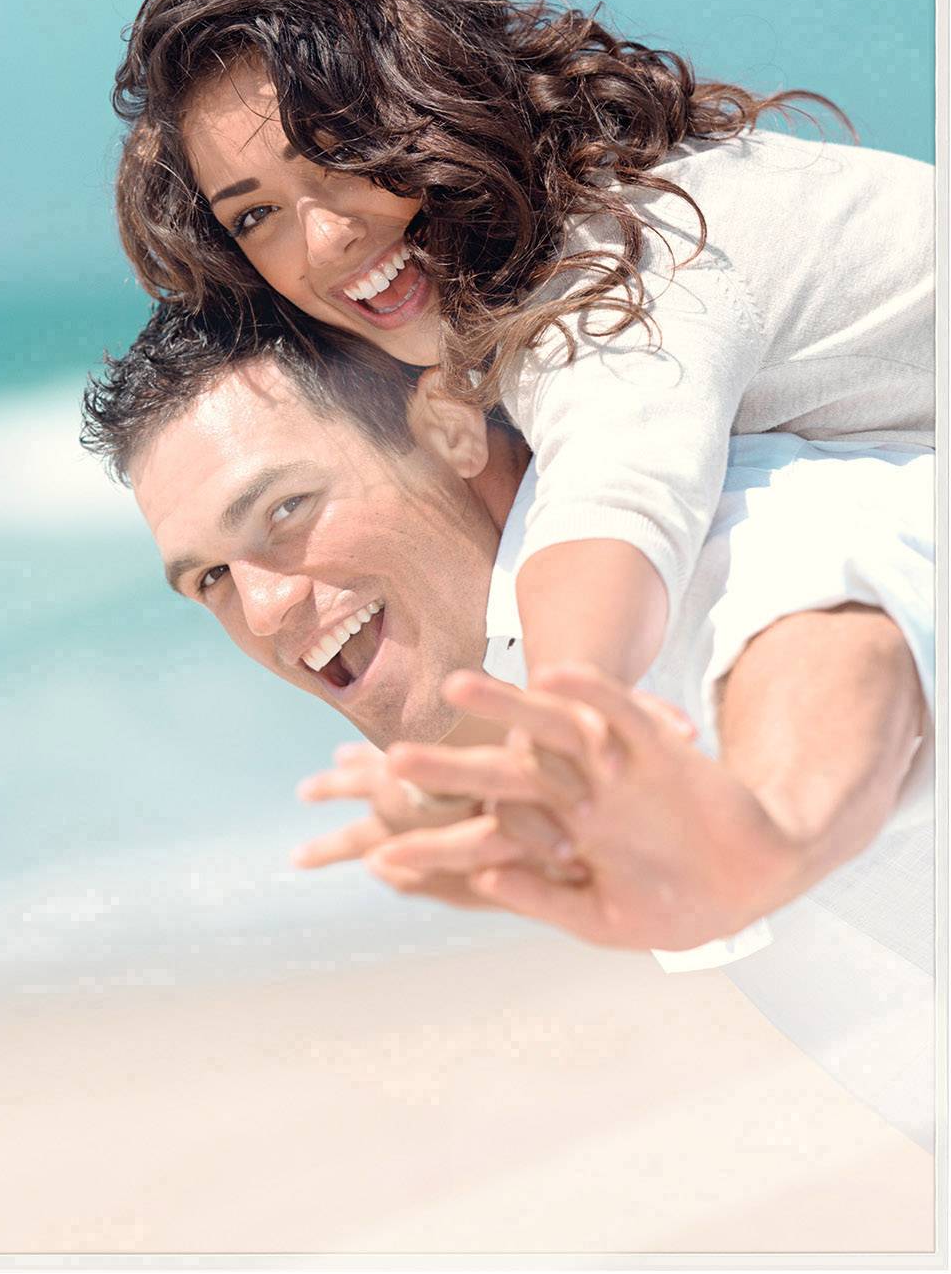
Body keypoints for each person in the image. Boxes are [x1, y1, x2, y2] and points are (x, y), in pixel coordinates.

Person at [80, 297, 934, 1148]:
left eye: (285, 510)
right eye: (210, 581)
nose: (262, 610)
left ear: (448, 432)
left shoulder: (712, 533)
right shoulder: (531, 689)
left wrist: (776, 833)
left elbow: (823, 618)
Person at [111, 0, 935, 706]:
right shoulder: (564, 231)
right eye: (255, 216)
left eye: (337, 152)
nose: (321, 240)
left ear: (426, 95)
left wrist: (565, 716)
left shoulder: (620, 258)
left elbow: (612, 508)